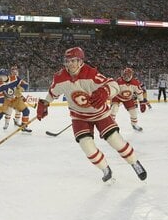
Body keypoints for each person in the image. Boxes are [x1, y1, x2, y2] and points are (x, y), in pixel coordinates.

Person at [36, 47, 147, 183]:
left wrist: (105, 91)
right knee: (86, 146)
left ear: (81, 61)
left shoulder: (91, 74)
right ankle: (105, 169)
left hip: (100, 114)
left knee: (115, 140)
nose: (70, 64)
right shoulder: (60, 77)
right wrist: (45, 103)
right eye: (67, 61)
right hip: (79, 117)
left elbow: (113, 84)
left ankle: (134, 162)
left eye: (73, 61)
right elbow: (53, 92)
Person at [0, 68, 32, 135]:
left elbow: (25, 84)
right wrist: (0, 105)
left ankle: (24, 127)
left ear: (6, 75)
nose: (0, 77)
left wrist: (20, 89)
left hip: (16, 99)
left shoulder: (15, 78)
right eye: (0, 76)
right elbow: (0, 96)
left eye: (2, 76)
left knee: (26, 111)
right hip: (6, 100)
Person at [110, 67, 150, 132]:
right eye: (125, 74)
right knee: (114, 109)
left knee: (133, 112)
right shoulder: (119, 81)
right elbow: (113, 89)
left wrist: (142, 102)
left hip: (128, 98)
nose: (125, 76)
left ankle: (134, 124)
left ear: (131, 75)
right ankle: (111, 124)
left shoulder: (135, 82)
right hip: (118, 97)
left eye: (127, 74)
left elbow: (139, 93)